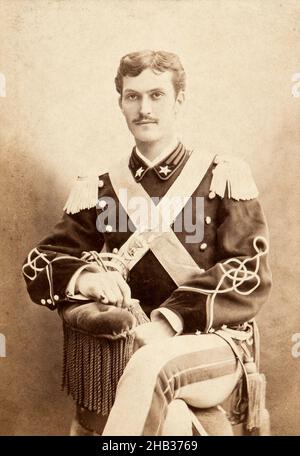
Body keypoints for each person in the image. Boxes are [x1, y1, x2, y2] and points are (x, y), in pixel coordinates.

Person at [22, 50, 272, 436]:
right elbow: (41, 263)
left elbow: (249, 272)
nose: (144, 108)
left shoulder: (223, 176)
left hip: (214, 344)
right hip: (131, 343)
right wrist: (86, 278)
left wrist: (169, 321)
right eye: (132, 96)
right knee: (168, 420)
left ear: (179, 100)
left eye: (157, 95)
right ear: (120, 103)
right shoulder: (101, 187)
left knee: (152, 365)